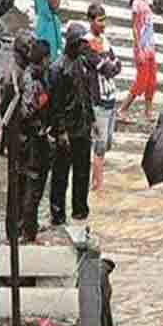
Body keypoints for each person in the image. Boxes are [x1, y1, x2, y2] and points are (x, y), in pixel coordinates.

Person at [5, 37, 52, 244]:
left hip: (27, 142)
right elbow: (24, 112)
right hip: (30, 143)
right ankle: (26, 232)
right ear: (43, 59)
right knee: (30, 188)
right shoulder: (31, 80)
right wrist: (39, 105)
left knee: (25, 186)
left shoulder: (30, 75)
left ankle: (23, 229)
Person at [48, 23, 95, 227]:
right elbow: (55, 105)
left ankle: (80, 210)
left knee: (82, 171)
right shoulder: (58, 68)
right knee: (60, 174)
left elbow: (86, 95)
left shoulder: (82, 63)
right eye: (80, 42)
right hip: (67, 130)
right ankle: (57, 214)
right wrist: (61, 131)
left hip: (83, 127)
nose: (83, 46)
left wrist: (92, 121)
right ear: (73, 43)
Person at [85, 4, 122, 193]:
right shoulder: (87, 43)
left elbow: (117, 65)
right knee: (99, 145)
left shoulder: (105, 41)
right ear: (91, 21)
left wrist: (110, 65)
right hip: (98, 101)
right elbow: (107, 67)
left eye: (104, 19)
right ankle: (97, 186)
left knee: (106, 144)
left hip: (111, 98)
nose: (103, 24)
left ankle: (96, 181)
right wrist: (109, 64)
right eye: (100, 20)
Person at [118, 0, 159, 120]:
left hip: (149, 47)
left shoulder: (144, 2)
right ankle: (123, 109)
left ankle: (148, 111)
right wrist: (139, 49)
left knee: (152, 80)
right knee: (141, 82)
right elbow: (135, 27)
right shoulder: (136, 4)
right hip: (142, 48)